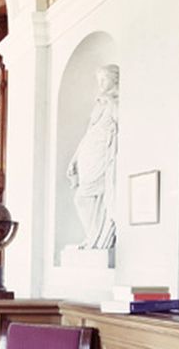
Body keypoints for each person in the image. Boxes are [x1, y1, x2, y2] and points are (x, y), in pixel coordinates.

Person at [66, 64, 118, 249]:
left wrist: (111, 100)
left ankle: (97, 238)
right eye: (99, 80)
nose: (100, 83)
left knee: (87, 197)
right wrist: (74, 158)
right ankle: (92, 236)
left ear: (115, 79)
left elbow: (120, 120)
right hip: (89, 155)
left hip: (103, 156)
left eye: (104, 79)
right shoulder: (98, 105)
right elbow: (89, 133)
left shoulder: (116, 101)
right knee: (82, 197)